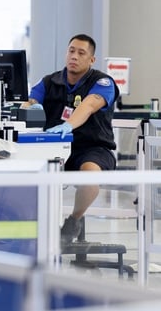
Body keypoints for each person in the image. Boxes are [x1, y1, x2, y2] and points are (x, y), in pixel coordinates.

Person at [20, 34, 119, 246]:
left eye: (81, 53)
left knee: (90, 173)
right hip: (53, 148)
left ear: (92, 59)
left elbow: (89, 105)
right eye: (71, 51)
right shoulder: (49, 81)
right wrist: (29, 109)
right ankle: (35, 228)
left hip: (93, 147)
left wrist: (68, 125)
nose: (74, 56)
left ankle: (74, 220)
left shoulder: (103, 82)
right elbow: (29, 103)